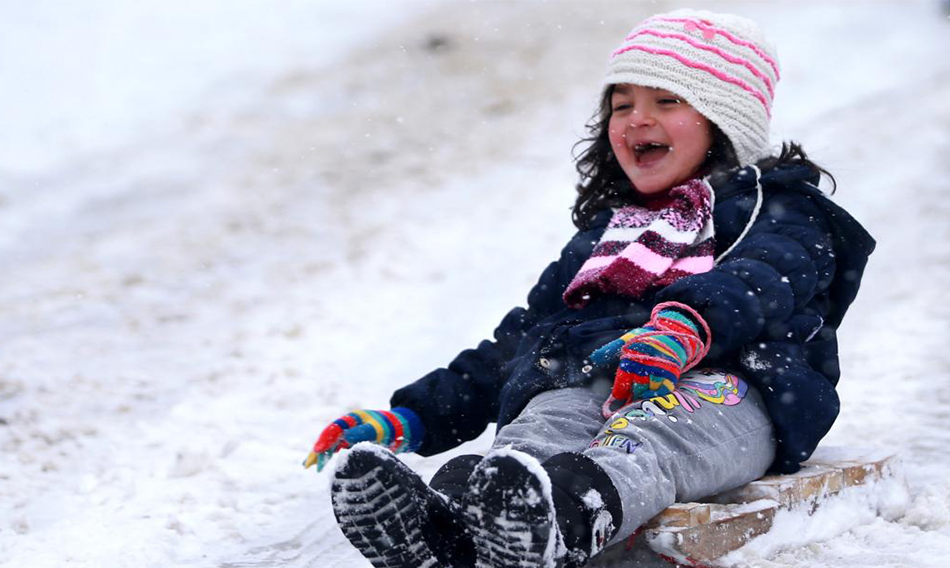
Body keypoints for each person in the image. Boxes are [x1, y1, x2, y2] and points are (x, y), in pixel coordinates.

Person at [303, 9, 875, 568]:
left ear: (724, 118)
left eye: (666, 101)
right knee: (536, 431)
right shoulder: (610, 235)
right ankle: (450, 530)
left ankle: (560, 525)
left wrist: (685, 327)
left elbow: (760, 280)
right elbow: (527, 338)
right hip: (599, 380)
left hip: (732, 389)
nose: (635, 119)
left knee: (649, 438)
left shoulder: (777, 211)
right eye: (621, 104)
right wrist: (416, 416)